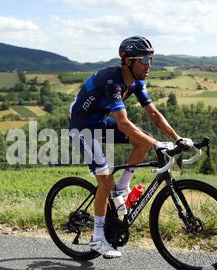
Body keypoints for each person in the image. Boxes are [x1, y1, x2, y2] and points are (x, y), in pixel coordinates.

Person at [69, 36, 193, 258]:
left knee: (142, 140)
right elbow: (123, 123)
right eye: (144, 60)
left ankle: (121, 188)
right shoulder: (112, 80)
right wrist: (157, 144)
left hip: (99, 120)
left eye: (151, 60)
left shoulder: (136, 82)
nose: (149, 65)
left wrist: (176, 138)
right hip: (82, 126)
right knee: (105, 179)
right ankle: (97, 237)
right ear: (128, 61)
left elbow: (153, 114)